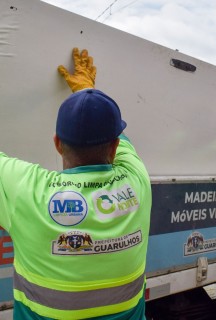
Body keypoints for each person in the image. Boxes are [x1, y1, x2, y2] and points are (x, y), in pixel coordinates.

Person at [0, 48, 152, 319]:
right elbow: (122, 141)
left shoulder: (27, 190)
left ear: (57, 144)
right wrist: (88, 93)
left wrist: (82, 97)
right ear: (115, 146)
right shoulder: (137, 183)